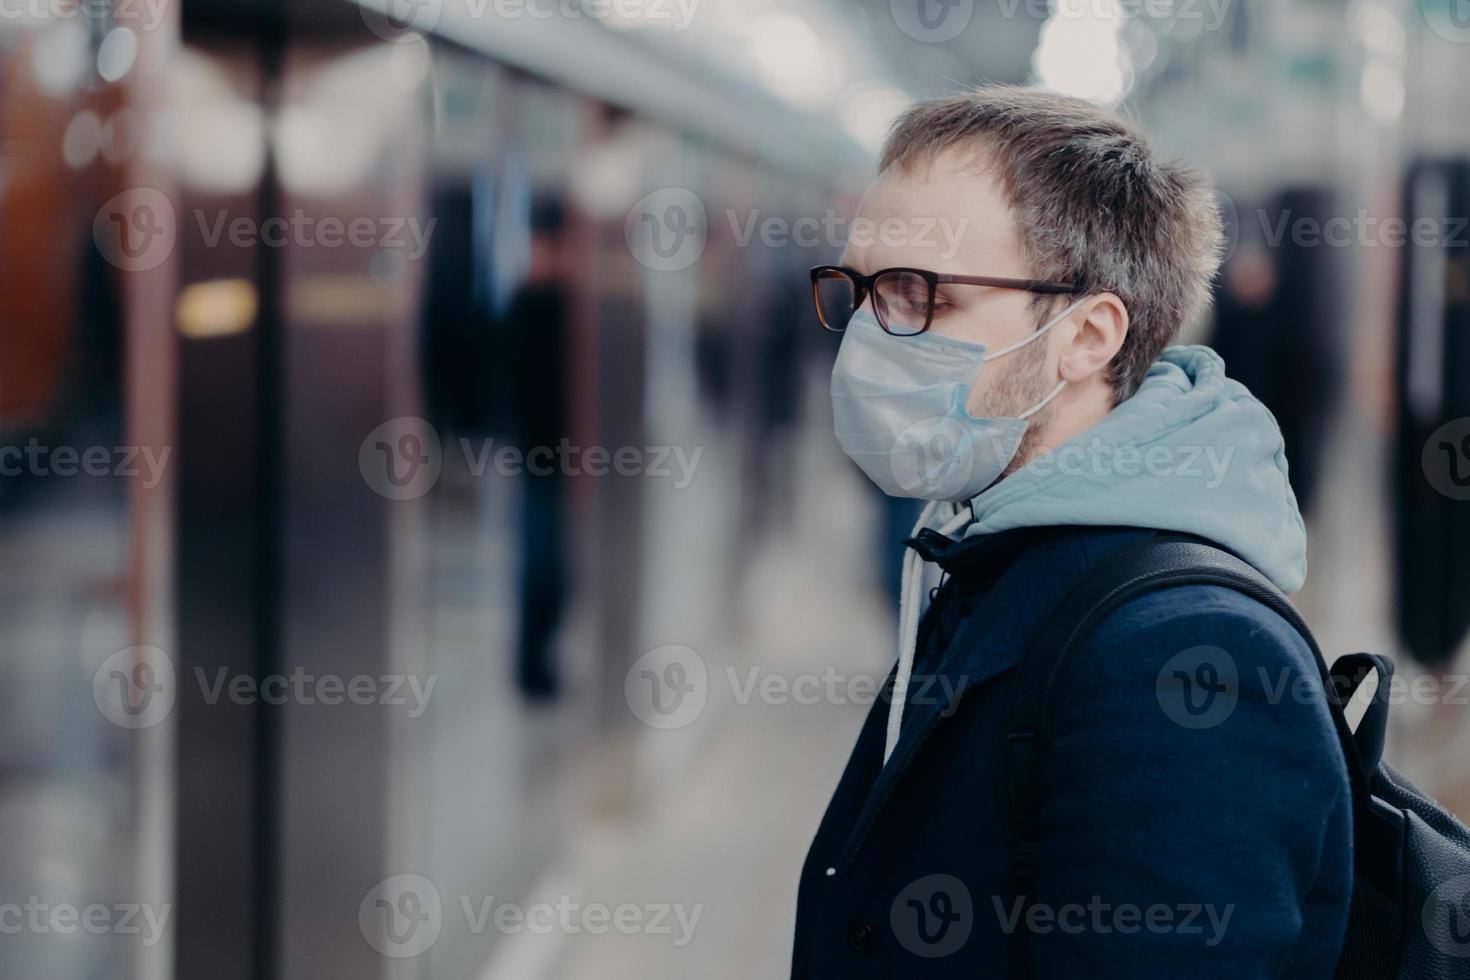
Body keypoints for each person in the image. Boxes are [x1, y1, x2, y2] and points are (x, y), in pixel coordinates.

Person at [791, 86, 1350, 977]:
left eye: (917, 294)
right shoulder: (996, 555)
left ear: (1086, 336)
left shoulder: (1192, 659)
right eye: (859, 290)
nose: (868, 337)